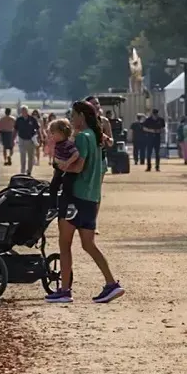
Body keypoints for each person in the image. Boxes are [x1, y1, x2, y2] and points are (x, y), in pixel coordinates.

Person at [45, 100, 124, 305]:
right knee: (88, 244)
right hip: (91, 196)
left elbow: (78, 167)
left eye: (73, 115)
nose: (71, 119)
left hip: (75, 196)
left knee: (64, 243)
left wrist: (60, 167)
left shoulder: (82, 137)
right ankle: (111, 283)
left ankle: (64, 290)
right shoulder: (96, 138)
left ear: (81, 115)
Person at [48, 118, 78, 203]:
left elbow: (76, 154)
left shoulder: (68, 144)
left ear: (61, 132)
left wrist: (67, 163)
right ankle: (53, 206)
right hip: (58, 170)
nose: (51, 135)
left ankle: (70, 204)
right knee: (53, 186)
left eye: (53, 133)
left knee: (67, 188)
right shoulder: (58, 144)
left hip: (67, 171)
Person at [15, 106, 40, 176]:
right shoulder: (19, 119)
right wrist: (13, 139)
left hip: (30, 140)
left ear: (27, 111)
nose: (23, 112)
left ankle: (29, 171)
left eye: (25, 111)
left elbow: (37, 128)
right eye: (22, 111)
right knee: (22, 156)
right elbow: (15, 129)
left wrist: (40, 137)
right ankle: (22, 171)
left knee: (30, 157)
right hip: (21, 139)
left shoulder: (32, 119)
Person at [143, 108, 166, 172]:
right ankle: (148, 167)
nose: (155, 116)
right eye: (154, 114)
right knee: (149, 153)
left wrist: (160, 131)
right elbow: (144, 128)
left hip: (157, 137)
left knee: (157, 153)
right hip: (149, 138)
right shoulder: (148, 120)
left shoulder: (161, 120)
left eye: (156, 114)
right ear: (152, 114)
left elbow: (163, 128)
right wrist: (151, 130)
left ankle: (157, 167)